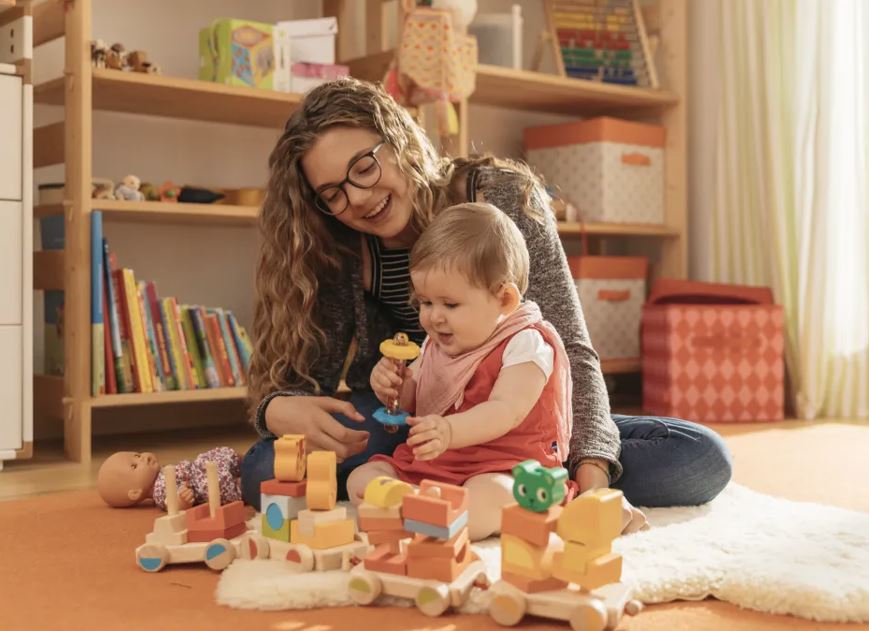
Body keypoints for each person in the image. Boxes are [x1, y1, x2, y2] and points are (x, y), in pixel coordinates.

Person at [242, 77, 732, 532]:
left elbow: (571, 348)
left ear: (398, 139)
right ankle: (490, 489)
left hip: (511, 413)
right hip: (414, 420)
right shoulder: (338, 240)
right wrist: (279, 411)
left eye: (364, 168)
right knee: (264, 471)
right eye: (334, 193)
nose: (359, 197)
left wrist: (593, 481)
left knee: (699, 458)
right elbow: (302, 383)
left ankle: (520, 483)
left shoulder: (500, 199)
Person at [347, 202, 571, 540]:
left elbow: (506, 411)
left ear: (504, 300)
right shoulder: (435, 343)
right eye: (425, 303)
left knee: (492, 496)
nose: (434, 317)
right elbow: (415, 401)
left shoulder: (525, 342)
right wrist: (394, 385)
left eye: (450, 304)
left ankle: (428, 519)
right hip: (439, 464)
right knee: (362, 478)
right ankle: (418, 509)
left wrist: (450, 431)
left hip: (503, 464)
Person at [97, 447, 242, 510]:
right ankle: (244, 481)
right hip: (208, 484)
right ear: (135, 492)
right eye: (134, 466)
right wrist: (182, 501)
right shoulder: (160, 492)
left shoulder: (161, 474)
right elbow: (172, 504)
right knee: (222, 483)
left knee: (226, 458)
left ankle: (242, 462)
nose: (143, 458)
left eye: (137, 455)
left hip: (203, 469)